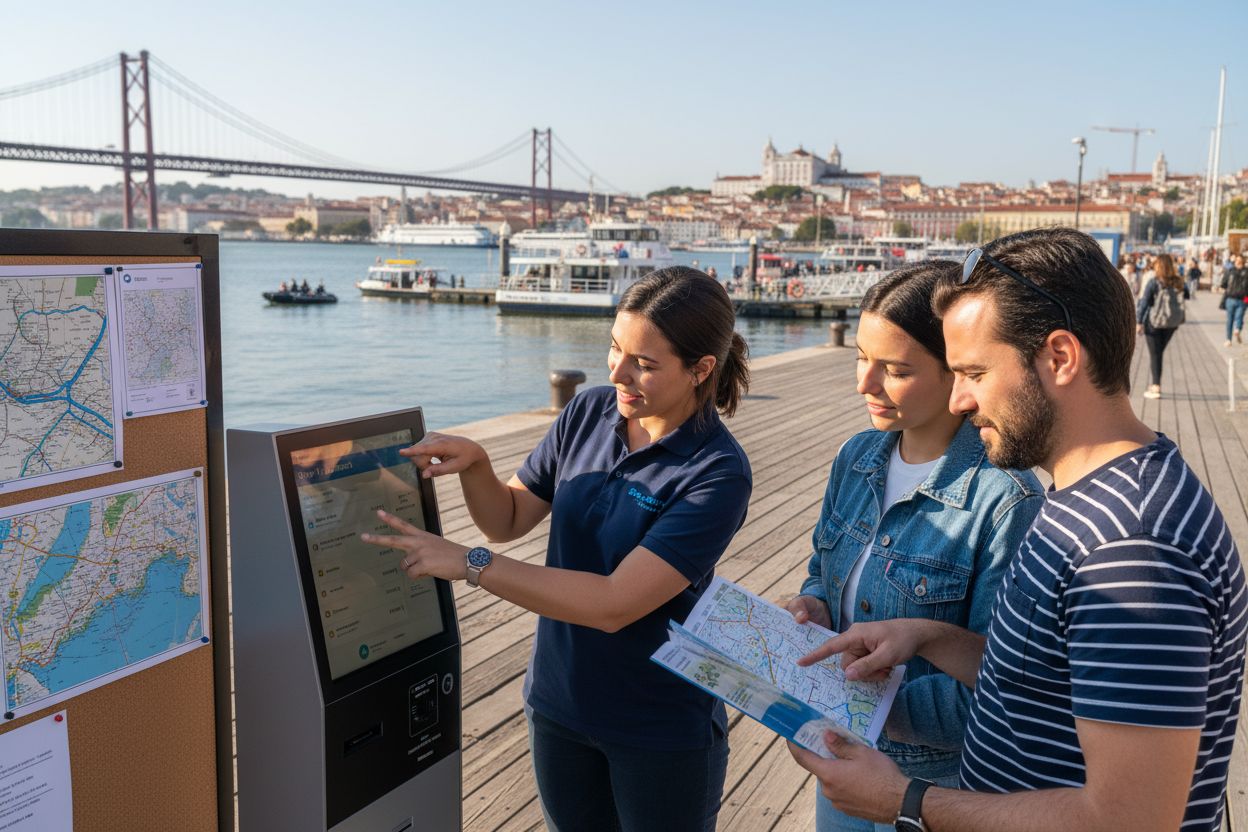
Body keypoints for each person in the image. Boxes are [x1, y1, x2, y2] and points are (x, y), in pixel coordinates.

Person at [788, 227, 1245, 832]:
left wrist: (903, 801)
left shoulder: (1132, 550)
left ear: (1059, 357)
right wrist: (927, 635)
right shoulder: (1090, 497)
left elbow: (1131, 819)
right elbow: (1045, 682)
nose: (959, 401)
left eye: (974, 372)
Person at [361, 266, 752, 832]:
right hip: (558, 706)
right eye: (615, 348)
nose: (618, 372)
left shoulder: (716, 472)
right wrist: (478, 465)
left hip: (658, 726)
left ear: (701, 369)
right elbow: (509, 518)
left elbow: (614, 604)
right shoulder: (589, 412)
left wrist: (468, 564)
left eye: (644, 364)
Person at [786, 262, 1042, 832]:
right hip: (844, 763)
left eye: (895, 370)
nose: (864, 385)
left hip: (937, 789)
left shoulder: (1005, 499)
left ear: (956, 374)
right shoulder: (856, 457)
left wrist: (848, 700)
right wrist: (814, 608)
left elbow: (1002, 686)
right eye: (861, 358)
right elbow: (819, 573)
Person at [1136, 253, 1188, 399]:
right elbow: (1187, 294)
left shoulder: (1154, 281)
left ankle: (1156, 386)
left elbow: (1145, 303)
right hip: (1172, 324)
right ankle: (1155, 383)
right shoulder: (1178, 281)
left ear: (1158, 265)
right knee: (1158, 353)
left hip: (1154, 323)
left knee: (1155, 354)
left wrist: (1139, 322)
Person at [1220, 253, 1247, 346]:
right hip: (1243, 299)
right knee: (1239, 317)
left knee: (1230, 319)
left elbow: (1223, 284)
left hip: (1230, 298)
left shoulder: (1230, 271)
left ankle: (1228, 340)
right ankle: (1237, 329)